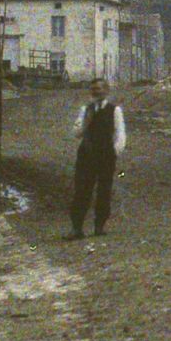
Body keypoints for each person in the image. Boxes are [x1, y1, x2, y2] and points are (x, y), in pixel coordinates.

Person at [68, 78, 126, 239]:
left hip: (106, 155)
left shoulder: (114, 110)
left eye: (99, 89)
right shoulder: (85, 109)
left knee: (104, 190)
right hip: (86, 155)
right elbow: (76, 133)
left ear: (106, 91)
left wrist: (114, 152)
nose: (96, 92)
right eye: (93, 89)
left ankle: (99, 226)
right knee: (82, 190)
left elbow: (120, 133)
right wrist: (85, 123)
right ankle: (77, 228)